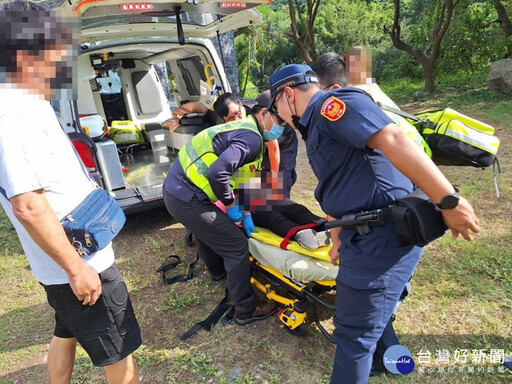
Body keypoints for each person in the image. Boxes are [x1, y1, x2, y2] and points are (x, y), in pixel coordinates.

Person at [266, 64, 480, 383]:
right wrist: (337, 239)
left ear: (288, 94)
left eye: (276, 109)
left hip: (379, 238)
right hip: (361, 235)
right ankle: (385, 354)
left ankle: (378, 354)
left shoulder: (330, 108)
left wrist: (448, 200)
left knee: (352, 338)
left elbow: (392, 139)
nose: (279, 117)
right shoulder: (314, 125)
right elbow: (338, 182)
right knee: (365, 322)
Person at [0, 3, 142, 383]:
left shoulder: (29, 102)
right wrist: (77, 269)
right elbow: (28, 205)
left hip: (70, 259)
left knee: (66, 330)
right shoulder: (12, 113)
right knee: (120, 351)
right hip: (79, 261)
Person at [162, 91, 287, 325]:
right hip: (186, 197)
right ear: (263, 113)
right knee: (236, 245)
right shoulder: (251, 138)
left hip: (177, 189)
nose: (280, 128)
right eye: (279, 122)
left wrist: (246, 210)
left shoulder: (245, 131)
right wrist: (231, 206)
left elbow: (239, 177)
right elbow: (217, 173)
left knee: (207, 230)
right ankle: (245, 308)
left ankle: (218, 272)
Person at [311, 50, 430, 155]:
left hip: (409, 154)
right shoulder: (369, 88)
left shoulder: (353, 101)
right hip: (418, 148)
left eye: (318, 92)